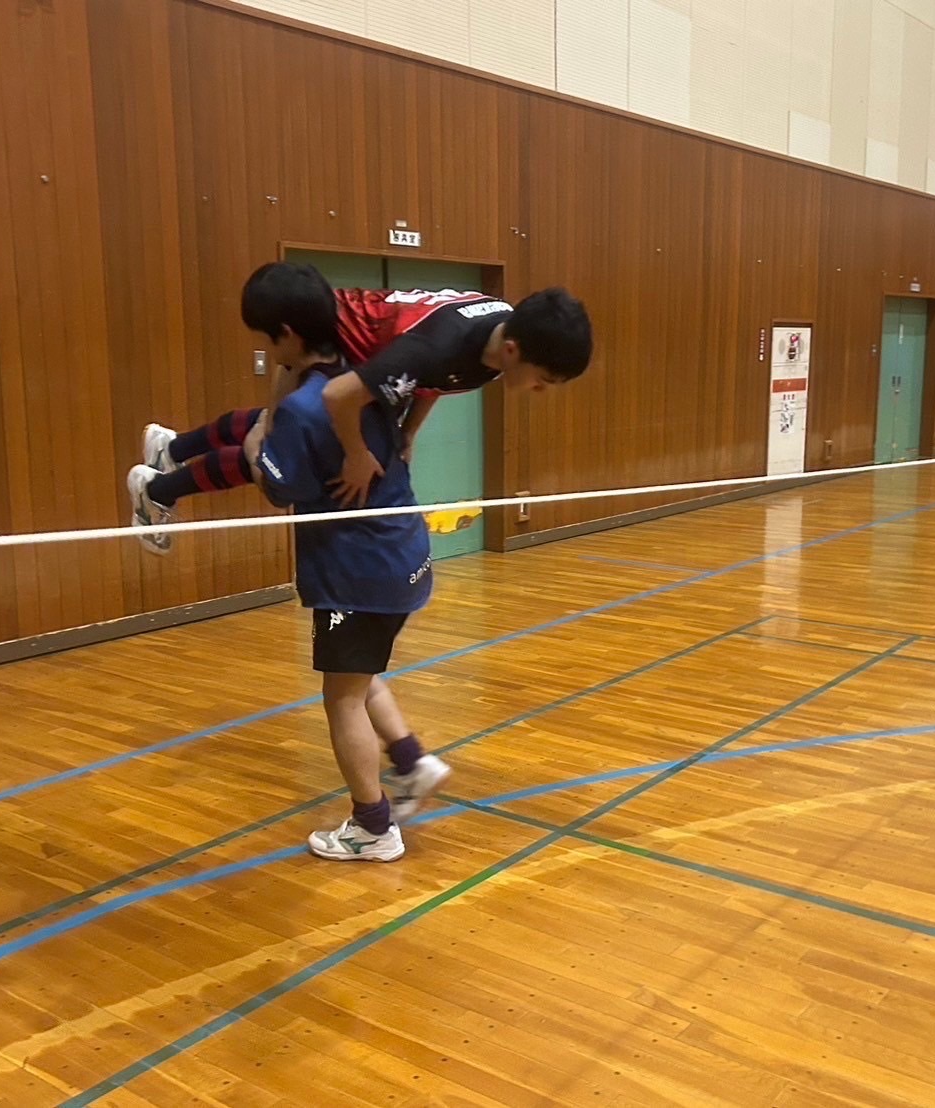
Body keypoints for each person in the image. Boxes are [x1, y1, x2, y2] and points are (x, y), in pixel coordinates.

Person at [127, 263, 593, 554]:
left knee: (280, 434)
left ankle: (172, 450)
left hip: (375, 357)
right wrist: (355, 453)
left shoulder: (500, 334)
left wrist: (409, 433)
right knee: (281, 453)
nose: (540, 391)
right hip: (337, 340)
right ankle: (159, 490)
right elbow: (344, 395)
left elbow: (433, 382)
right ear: (513, 350)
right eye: (544, 380)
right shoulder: (438, 348)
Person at [246, 333, 449, 862]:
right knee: (359, 674)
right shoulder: (369, 383)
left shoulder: (304, 407)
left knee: (342, 698)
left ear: (285, 336)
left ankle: (372, 827)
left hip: (357, 573)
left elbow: (278, 487)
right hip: (405, 557)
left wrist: (256, 440)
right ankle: (411, 762)